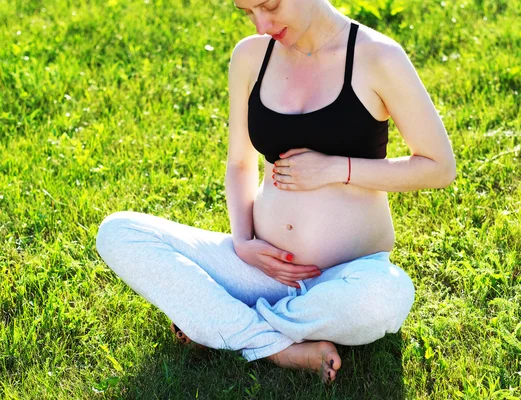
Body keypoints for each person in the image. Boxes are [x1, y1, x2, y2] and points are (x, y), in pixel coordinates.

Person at [95, 0, 456, 385]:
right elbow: (239, 163)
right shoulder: (251, 56)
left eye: (269, 6)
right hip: (260, 268)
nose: (262, 24)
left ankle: (220, 323)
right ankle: (280, 349)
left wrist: (337, 168)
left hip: (349, 276)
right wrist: (243, 241)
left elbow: (439, 167)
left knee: (387, 298)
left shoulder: (377, 56)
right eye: (248, 12)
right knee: (119, 232)